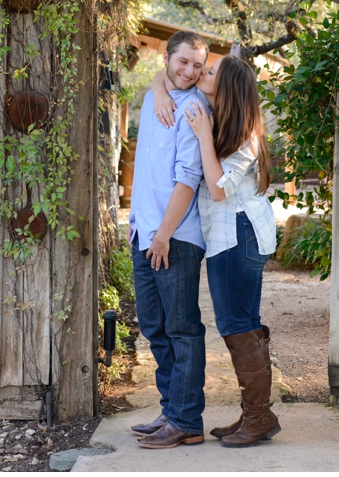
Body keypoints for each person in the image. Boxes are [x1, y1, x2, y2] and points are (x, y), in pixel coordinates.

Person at [152, 54, 280, 446]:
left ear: (227, 88)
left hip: (239, 236)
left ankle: (258, 418)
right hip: (229, 237)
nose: (200, 73)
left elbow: (219, 188)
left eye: (209, 72)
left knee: (238, 327)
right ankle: (255, 416)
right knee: (243, 325)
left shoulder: (244, 134)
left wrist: (205, 136)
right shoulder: (225, 121)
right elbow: (164, 74)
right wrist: (160, 87)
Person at [126, 30, 211, 449]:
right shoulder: (152, 98)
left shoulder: (195, 107)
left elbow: (187, 180)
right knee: (154, 327)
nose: (191, 71)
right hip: (146, 232)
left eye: (198, 65)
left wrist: (162, 234)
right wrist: (138, 222)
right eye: (184, 62)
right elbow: (147, 168)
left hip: (175, 239)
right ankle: (171, 409)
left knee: (182, 329)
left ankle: (187, 421)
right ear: (166, 59)